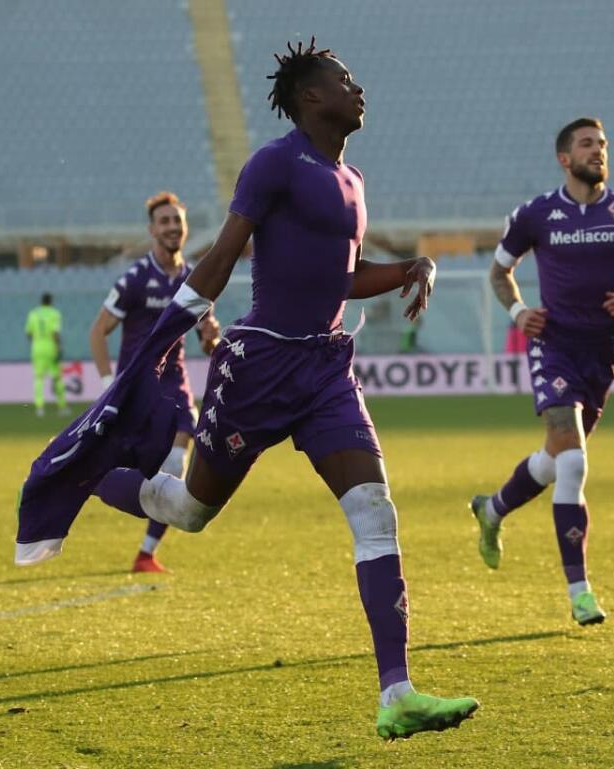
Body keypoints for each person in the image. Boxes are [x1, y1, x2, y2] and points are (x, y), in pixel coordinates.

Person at [29, 40, 477, 739]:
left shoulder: (353, 178)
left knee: (374, 511)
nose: (358, 88)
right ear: (310, 96)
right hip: (259, 365)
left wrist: (411, 267)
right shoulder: (275, 163)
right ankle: (87, 473)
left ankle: (397, 692)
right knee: (189, 510)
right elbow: (222, 254)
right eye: (344, 79)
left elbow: (343, 277)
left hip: (326, 368)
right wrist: (165, 334)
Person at [469, 117, 614, 626]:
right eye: (586, 144)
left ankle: (492, 510)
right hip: (552, 343)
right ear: (565, 158)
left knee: (554, 460)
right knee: (574, 461)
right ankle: (580, 593)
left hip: (601, 352)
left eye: (602, 144)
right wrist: (519, 312)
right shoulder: (535, 214)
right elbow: (499, 273)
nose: (598, 151)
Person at [87, 191, 221, 573]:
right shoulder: (135, 279)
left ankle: (146, 553)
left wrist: (211, 336)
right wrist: (107, 384)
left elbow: (207, 342)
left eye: (177, 221)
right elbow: (98, 331)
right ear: (152, 230)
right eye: (164, 221)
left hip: (175, 386)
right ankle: (59, 476)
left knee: (177, 463)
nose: (172, 227)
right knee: (113, 465)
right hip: (135, 388)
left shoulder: (196, 280)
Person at [25, 293, 69, 417]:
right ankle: (62, 407)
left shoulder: (33, 313)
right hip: (51, 347)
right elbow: (55, 332)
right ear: (51, 301)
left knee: (39, 378)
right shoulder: (54, 313)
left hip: (37, 348)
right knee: (57, 378)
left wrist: (36, 343)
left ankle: (39, 408)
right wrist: (59, 347)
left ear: (41, 301)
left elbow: (28, 333)